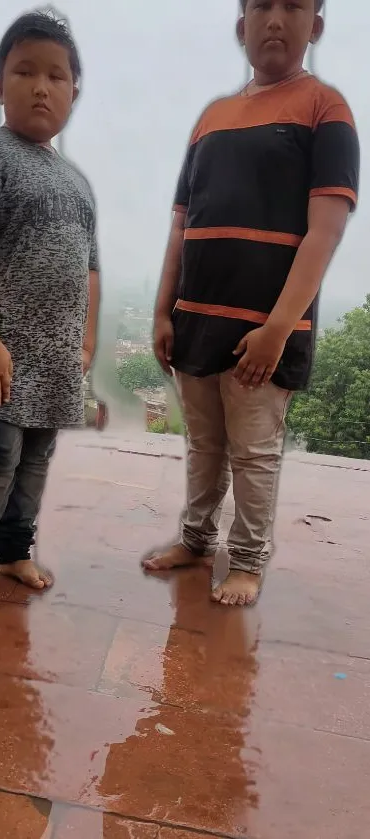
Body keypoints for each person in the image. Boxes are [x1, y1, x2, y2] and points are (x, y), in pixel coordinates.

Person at [143, 0, 359, 606]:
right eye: (260, 5)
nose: (274, 19)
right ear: (241, 26)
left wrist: (277, 330)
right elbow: (182, 225)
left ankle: (247, 561)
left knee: (255, 454)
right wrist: (164, 310)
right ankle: (195, 538)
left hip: (262, 334)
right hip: (196, 322)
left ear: (314, 26)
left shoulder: (326, 110)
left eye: (292, 6)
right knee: (205, 445)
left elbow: (326, 231)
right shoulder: (211, 118)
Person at [0, 10, 100, 606]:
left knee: (35, 463)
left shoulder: (78, 184)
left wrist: (87, 343)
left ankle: (17, 551)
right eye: (24, 71)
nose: (41, 86)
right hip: (4, 354)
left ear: (74, 92)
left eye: (57, 76)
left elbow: (90, 270)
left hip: (54, 361)